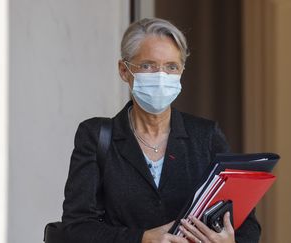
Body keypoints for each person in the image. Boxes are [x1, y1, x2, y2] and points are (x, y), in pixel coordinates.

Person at [62, 18, 261, 243]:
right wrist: (143, 238)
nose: (161, 76)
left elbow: (247, 225)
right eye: (148, 65)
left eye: (171, 66)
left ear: (182, 72)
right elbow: (75, 229)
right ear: (124, 70)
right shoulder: (96, 136)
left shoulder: (206, 136)